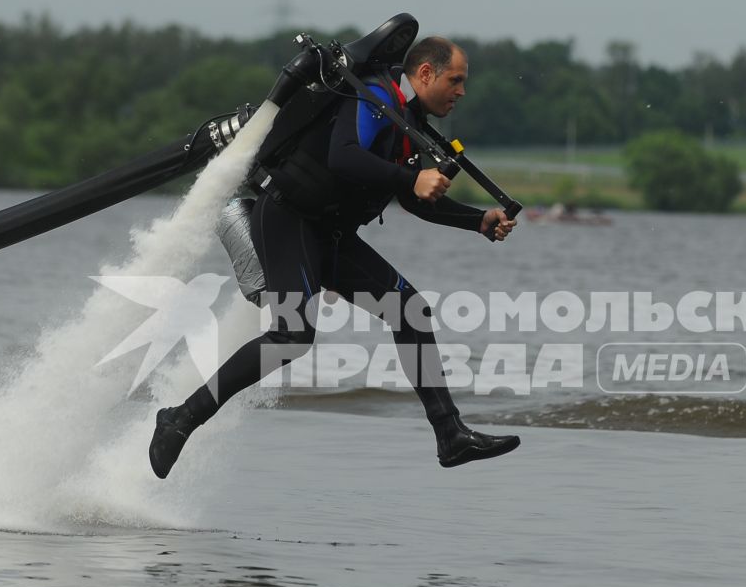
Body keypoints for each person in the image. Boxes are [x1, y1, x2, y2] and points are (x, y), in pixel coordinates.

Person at [149, 36, 520, 478]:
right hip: (289, 218)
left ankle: (450, 435)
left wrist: (476, 221)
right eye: (455, 80)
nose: (461, 91)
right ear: (425, 74)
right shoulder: (375, 95)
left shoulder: (409, 121)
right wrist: (410, 179)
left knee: (410, 312)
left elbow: (419, 198)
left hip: (330, 233)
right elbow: (343, 157)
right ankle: (180, 417)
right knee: (292, 337)